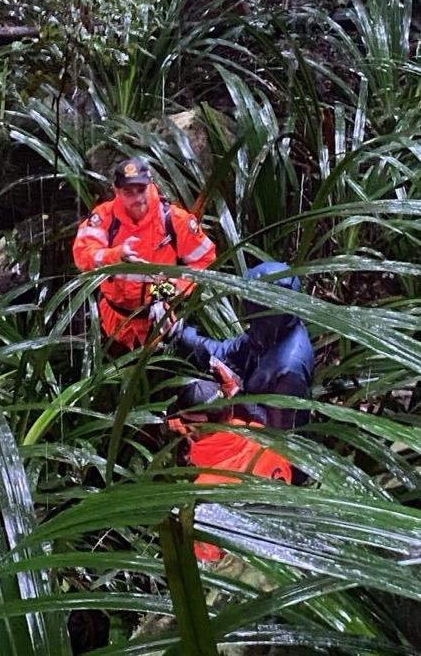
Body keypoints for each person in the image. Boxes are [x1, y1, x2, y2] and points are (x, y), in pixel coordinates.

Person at [166, 261, 314, 560]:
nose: (247, 314)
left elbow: (281, 435)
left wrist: (236, 396)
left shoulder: (289, 366)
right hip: (247, 431)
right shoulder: (266, 334)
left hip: (274, 455)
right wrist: (179, 333)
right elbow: (224, 352)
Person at [73, 156, 217, 351]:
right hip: (114, 321)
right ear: (116, 191)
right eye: (128, 192)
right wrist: (115, 256)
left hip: (160, 318)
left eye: (141, 190)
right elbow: (83, 256)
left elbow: (206, 260)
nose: (138, 198)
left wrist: (179, 287)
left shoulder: (174, 220)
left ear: (151, 185)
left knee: (163, 372)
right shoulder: (104, 218)